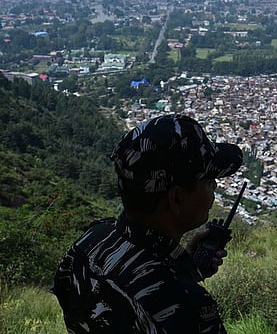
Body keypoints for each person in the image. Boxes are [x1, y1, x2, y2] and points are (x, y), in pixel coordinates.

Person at [53, 114, 243, 333]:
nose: (215, 188)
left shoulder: (89, 243)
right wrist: (176, 281)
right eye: (209, 181)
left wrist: (182, 269)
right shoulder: (186, 307)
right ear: (177, 198)